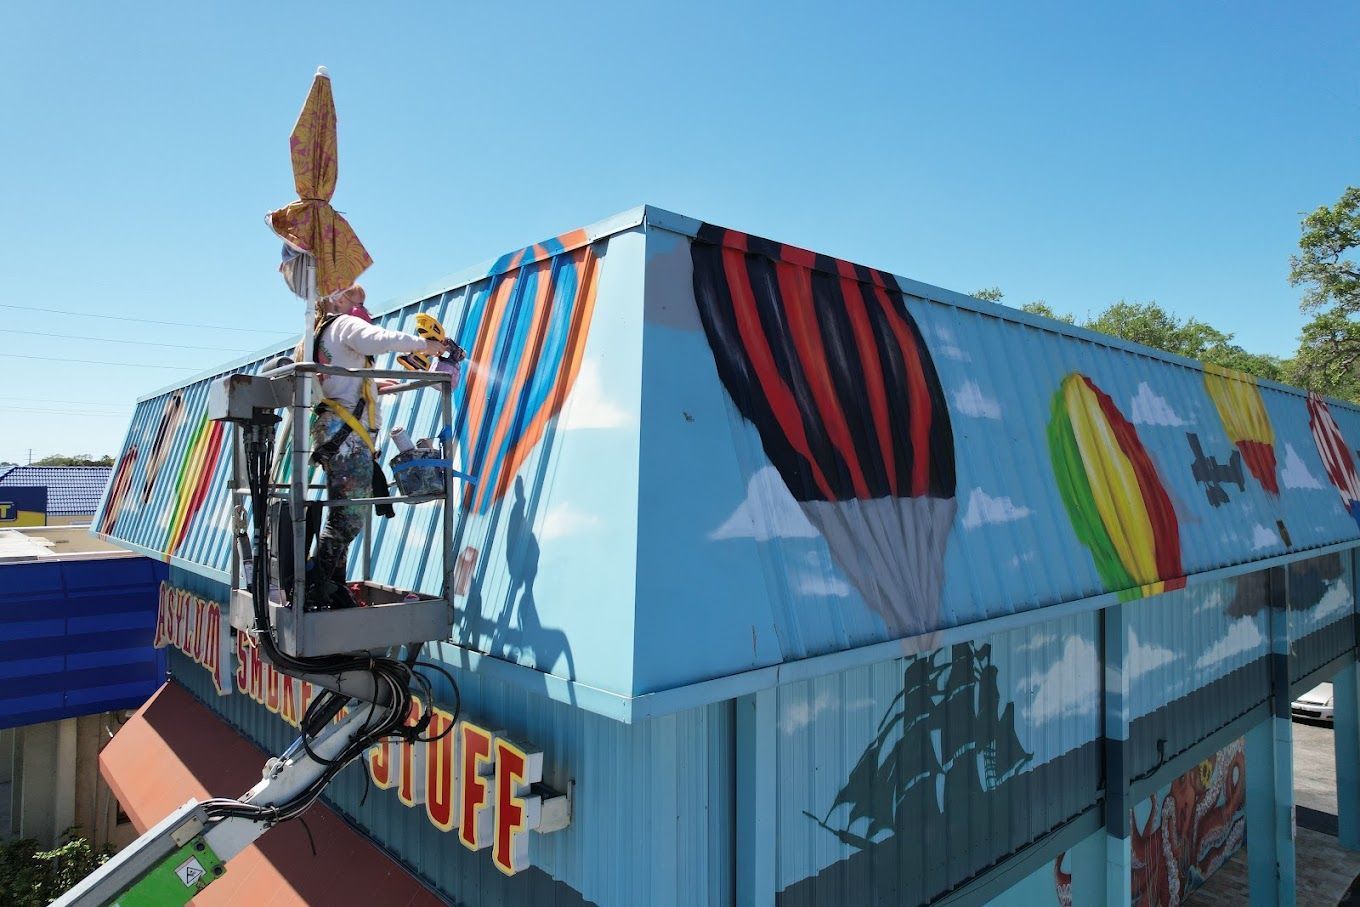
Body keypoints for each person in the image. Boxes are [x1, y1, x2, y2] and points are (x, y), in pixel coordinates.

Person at [303, 284, 447, 609]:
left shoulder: (322, 334)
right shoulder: (343, 324)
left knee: (342, 513)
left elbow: (341, 381)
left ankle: (331, 587)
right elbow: (380, 340)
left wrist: (372, 385)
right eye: (360, 300)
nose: (365, 308)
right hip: (347, 437)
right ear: (340, 299)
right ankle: (314, 583)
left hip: (338, 431)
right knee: (350, 517)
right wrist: (428, 345)